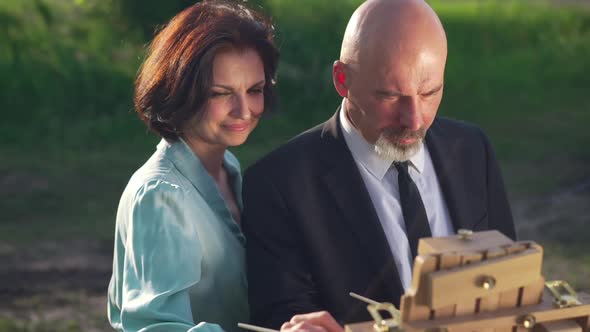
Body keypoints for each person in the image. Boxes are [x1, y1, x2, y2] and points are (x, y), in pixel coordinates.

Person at [242, 0, 517, 329]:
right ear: (342, 80)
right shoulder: (278, 186)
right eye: (390, 96)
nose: (414, 120)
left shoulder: (472, 150)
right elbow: (282, 316)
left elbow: (512, 282)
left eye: (429, 92)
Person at [106, 1, 279, 331]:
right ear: (180, 90)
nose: (244, 110)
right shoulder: (161, 196)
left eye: (254, 90)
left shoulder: (227, 167)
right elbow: (155, 327)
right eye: (220, 93)